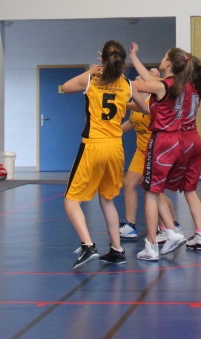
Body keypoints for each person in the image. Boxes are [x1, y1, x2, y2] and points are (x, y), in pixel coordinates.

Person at [61, 40, 146, 270]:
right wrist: (124, 103)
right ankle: (117, 250)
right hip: (115, 147)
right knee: (107, 199)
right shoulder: (127, 84)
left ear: (103, 59)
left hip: (93, 145)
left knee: (71, 201)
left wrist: (89, 71)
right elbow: (145, 107)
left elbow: (65, 87)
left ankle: (88, 246)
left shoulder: (92, 79)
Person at [129, 43, 201, 261]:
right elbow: (151, 82)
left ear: (169, 63)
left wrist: (108, 75)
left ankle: (152, 244)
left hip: (167, 139)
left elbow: (132, 84)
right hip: (191, 139)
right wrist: (134, 57)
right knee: (181, 190)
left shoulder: (164, 86)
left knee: (151, 192)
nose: (161, 59)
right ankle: (179, 231)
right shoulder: (191, 86)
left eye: (164, 56)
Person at [119, 68, 180, 241]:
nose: (140, 76)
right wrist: (108, 131)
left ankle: (172, 225)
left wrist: (118, 82)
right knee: (129, 183)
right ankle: (130, 225)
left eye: (146, 73)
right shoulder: (137, 101)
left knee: (155, 191)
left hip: (155, 150)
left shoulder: (156, 101)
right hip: (141, 151)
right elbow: (131, 123)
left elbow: (143, 107)